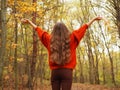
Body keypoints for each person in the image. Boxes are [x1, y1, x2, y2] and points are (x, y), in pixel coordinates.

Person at [21, 16, 102, 90]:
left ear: (54, 31)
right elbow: (84, 28)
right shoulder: (72, 38)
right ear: (66, 30)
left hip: (55, 73)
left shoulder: (50, 40)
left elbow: (39, 31)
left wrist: (29, 22)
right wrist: (93, 19)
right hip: (67, 72)